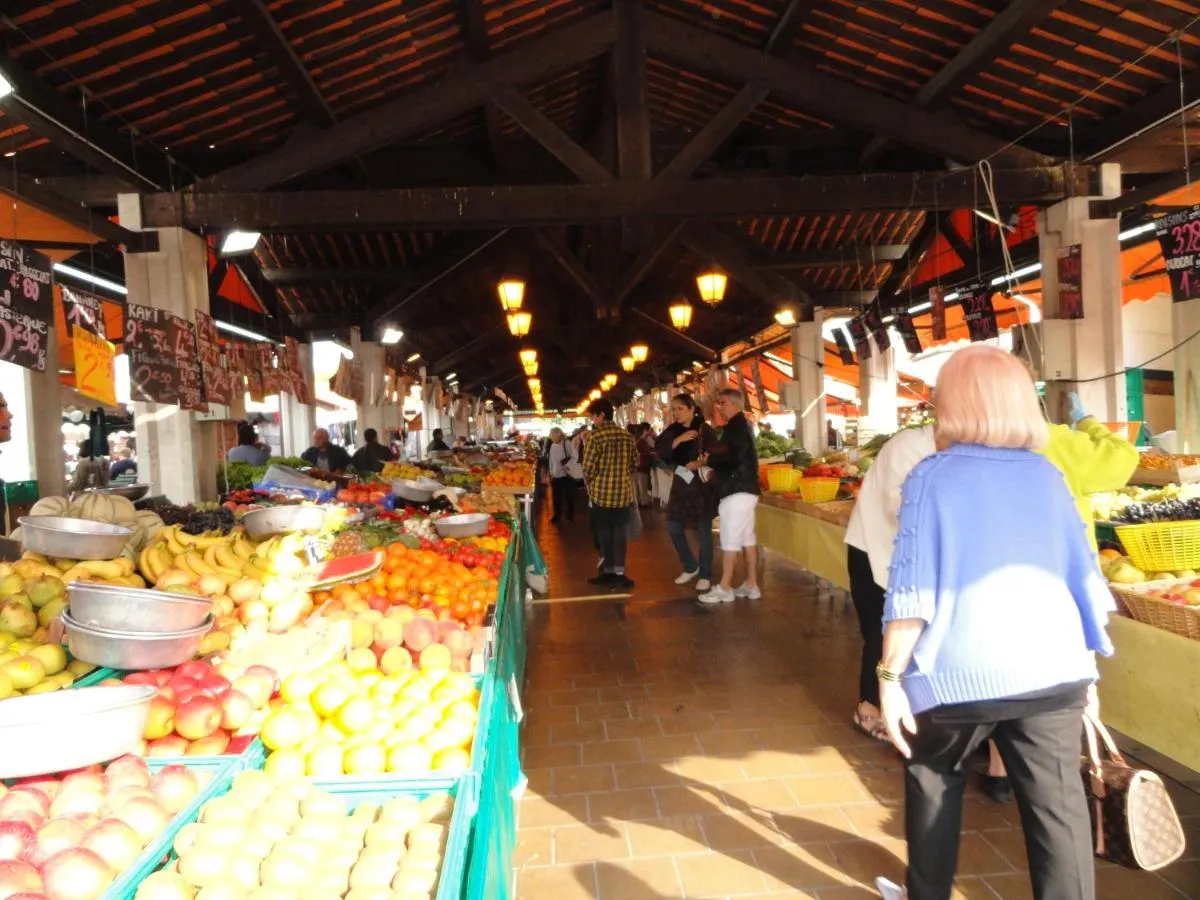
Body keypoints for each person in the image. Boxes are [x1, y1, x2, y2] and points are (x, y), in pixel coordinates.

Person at [873, 345, 1114, 900]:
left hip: (957, 678)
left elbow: (913, 592)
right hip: (1056, 673)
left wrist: (889, 680)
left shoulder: (930, 477)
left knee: (933, 782)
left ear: (952, 403)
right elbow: (1084, 578)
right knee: (1058, 814)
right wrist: (1090, 672)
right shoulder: (1048, 476)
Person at [698, 389, 761, 604]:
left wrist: (710, 461)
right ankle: (751, 584)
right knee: (746, 538)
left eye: (722, 403)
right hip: (745, 489)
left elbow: (733, 458)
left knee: (729, 539)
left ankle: (725, 587)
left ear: (735, 404)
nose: (719, 407)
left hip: (737, 490)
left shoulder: (736, 428)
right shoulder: (740, 427)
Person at [656, 394, 717, 593]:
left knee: (703, 531)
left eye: (680, 408)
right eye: (673, 409)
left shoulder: (704, 430)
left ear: (692, 408)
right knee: (673, 526)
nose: (676, 413)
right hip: (680, 483)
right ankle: (690, 566)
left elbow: (716, 455)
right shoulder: (672, 431)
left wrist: (699, 462)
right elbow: (661, 450)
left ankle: (705, 574)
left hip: (701, 486)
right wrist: (679, 439)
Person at [582, 398, 637, 591]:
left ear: (601, 415)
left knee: (604, 534)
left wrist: (594, 482)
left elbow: (587, 468)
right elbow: (634, 463)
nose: (592, 420)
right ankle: (620, 575)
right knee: (619, 535)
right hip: (623, 494)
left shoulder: (595, 438)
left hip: (601, 495)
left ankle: (608, 573)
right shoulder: (627, 436)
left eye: (592, 416)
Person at [546, 427, 578, 524]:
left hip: (567, 474)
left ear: (558, 434)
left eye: (552, 435)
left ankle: (569, 516)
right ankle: (557, 516)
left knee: (569, 496)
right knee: (556, 497)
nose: (551, 437)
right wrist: (551, 472)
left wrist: (567, 466)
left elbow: (575, 456)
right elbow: (551, 460)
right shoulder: (552, 446)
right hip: (556, 475)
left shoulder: (567, 443)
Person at [634, 424, 655, 507]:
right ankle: (644, 503)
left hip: (638, 466)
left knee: (639, 486)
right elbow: (646, 453)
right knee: (643, 486)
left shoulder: (637, 440)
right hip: (642, 466)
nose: (647, 432)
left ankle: (640, 502)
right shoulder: (642, 441)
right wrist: (652, 454)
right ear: (643, 431)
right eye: (646, 430)